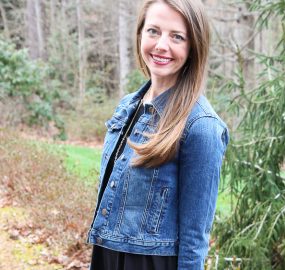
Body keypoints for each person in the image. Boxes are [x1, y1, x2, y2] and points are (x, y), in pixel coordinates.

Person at [86, 0, 229, 269]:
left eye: (177, 36)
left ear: (193, 47)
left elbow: (195, 237)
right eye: (154, 31)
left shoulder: (201, 126)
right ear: (140, 34)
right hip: (107, 255)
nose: (162, 45)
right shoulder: (128, 106)